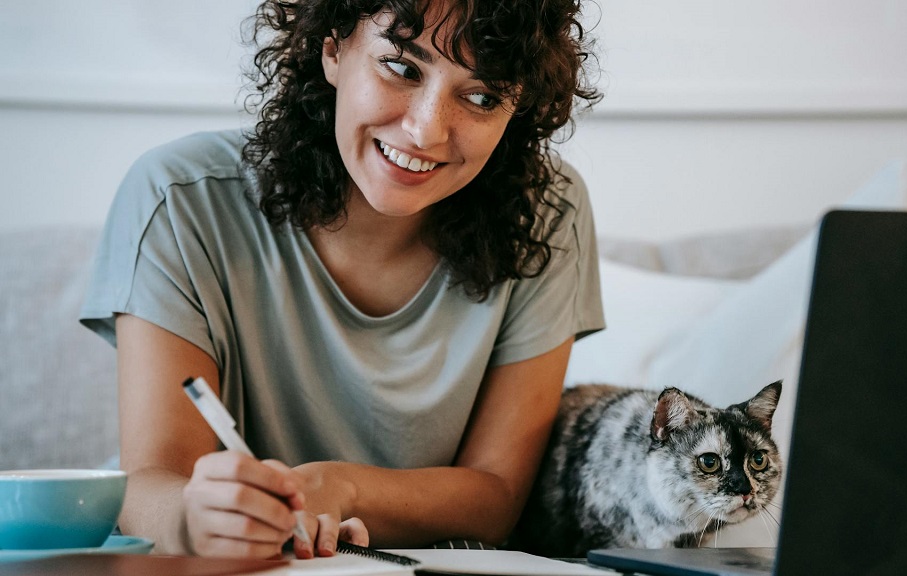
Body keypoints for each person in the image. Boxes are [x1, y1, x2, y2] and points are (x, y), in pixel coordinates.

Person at [79, 0, 603, 560]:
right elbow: (151, 481)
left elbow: (497, 498)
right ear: (333, 48)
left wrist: (343, 488)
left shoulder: (547, 212)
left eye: (481, 97)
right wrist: (195, 519)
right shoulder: (179, 201)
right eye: (402, 68)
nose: (425, 130)